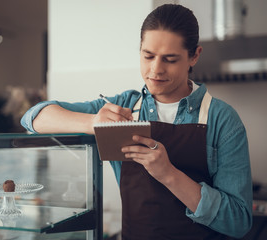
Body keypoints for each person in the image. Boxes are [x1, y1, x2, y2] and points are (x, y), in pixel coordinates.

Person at [20, 4, 252, 239]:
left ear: (194, 56)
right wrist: (94, 122)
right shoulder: (123, 107)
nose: (155, 69)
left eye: (170, 59)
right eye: (148, 55)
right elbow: (33, 117)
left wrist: (168, 174)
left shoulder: (222, 120)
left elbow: (239, 221)